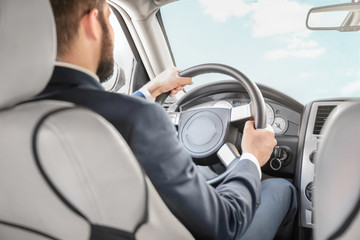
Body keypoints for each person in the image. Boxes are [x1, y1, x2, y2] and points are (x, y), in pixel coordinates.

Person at [36, 0, 297, 239]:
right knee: (281, 188)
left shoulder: (18, 114)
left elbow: (100, 115)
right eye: (108, 19)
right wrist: (251, 158)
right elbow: (223, 224)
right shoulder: (138, 120)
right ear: (92, 22)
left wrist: (153, 89)